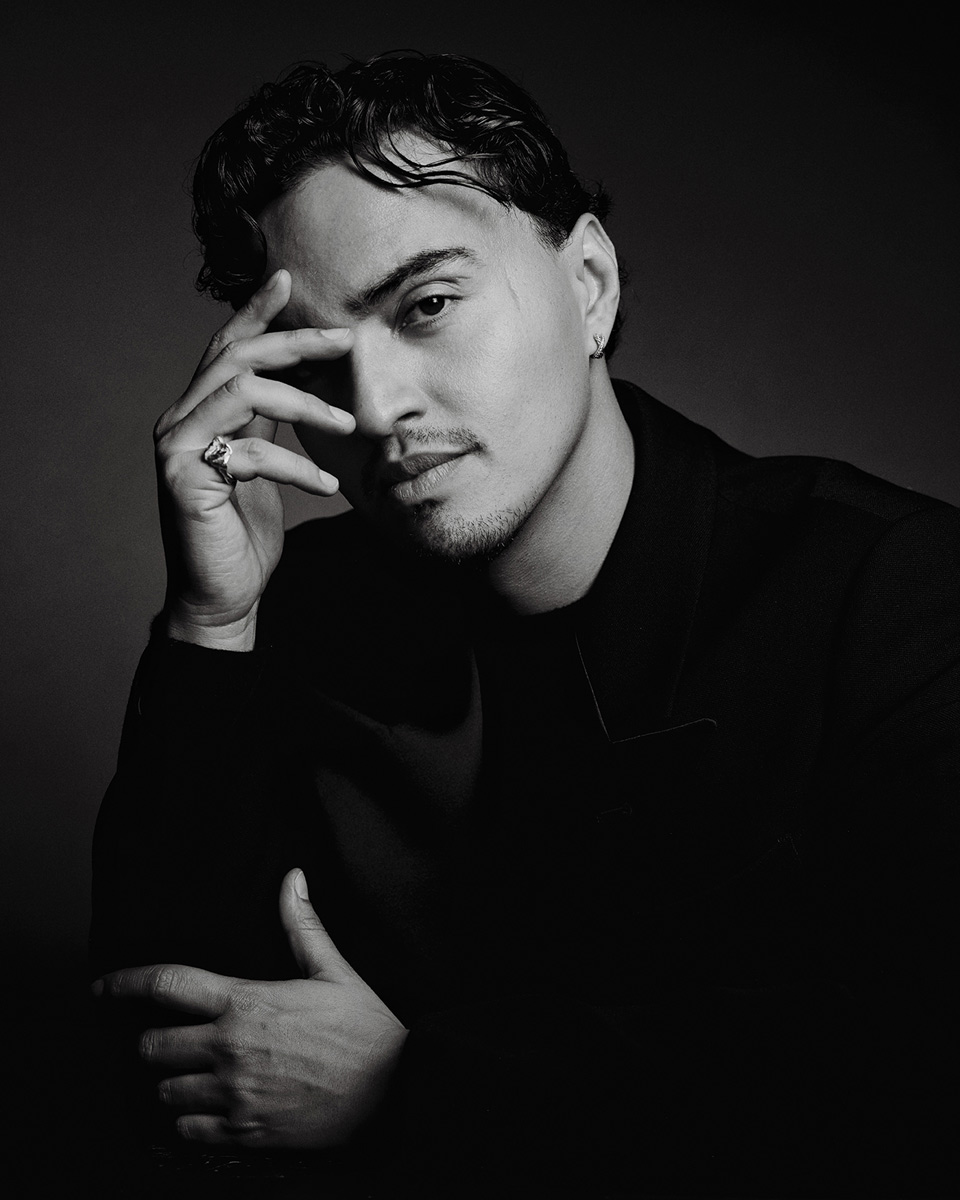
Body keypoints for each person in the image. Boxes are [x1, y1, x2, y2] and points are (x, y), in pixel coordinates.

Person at [91, 51, 959, 1197]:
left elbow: (913, 1085)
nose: (379, 407)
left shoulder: (897, 594)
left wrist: (409, 1090)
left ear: (588, 285)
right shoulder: (300, 609)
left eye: (428, 305)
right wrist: (209, 626)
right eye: (317, 358)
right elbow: (169, 1042)